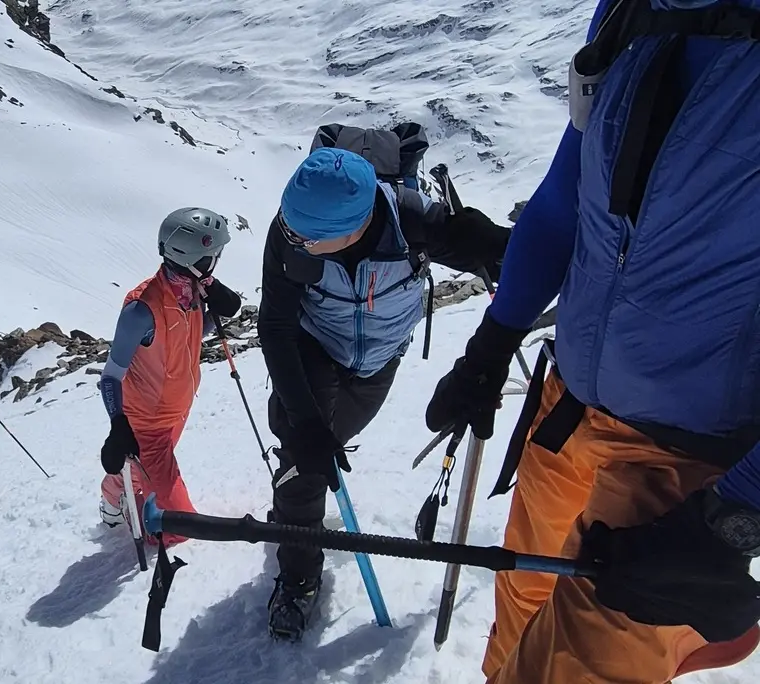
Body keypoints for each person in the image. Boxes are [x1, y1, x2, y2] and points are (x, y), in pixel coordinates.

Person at [423, 0, 760, 681]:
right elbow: (562, 202)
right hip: (568, 407)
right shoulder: (627, 14)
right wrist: (492, 343)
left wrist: (737, 510)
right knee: (521, 607)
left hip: (679, 471)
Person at [259, 145, 509, 640]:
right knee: (303, 459)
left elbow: (505, 250)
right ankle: (299, 572)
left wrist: (503, 258)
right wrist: (306, 424)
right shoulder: (290, 233)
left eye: (309, 238)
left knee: (326, 444)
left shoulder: (415, 225)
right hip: (315, 347)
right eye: (291, 230)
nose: (295, 243)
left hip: (377, 363)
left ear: (354, 226)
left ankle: (296, 504)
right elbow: (276, 326)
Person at [97, 207, 241, 545]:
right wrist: (119, 427)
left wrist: (212, 311)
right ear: (191, 258)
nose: (216, 261)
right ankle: (115, 498)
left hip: (176, 409)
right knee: (177, 529)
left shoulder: (192, 291)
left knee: (143, 472)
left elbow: (182, 337)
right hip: (146, 423)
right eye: (211, 256)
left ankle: (118, 490)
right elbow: (110, 375)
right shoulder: (141, 309)